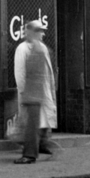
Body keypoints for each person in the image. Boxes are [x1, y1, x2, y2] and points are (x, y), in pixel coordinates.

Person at [12, 19, 60, 164]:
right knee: (33, 124)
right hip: (32, 93)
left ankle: (34, 151)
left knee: (34, 124)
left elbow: (47, 73)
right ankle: (37, 149)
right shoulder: (24, 48)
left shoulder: (41, 48)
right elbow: (20, 73)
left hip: (37, 94)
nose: (42, 34)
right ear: (31, 32)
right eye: (39, 31)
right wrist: (23, 91)